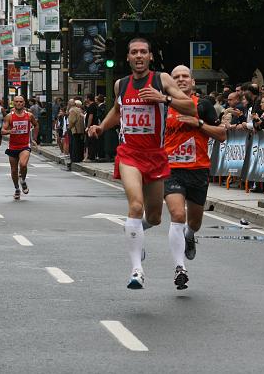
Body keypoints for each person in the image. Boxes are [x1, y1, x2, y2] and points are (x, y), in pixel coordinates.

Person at [87, 38, 195, 290]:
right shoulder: (121, 84)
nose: (138, 56)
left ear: (150, 57)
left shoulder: (162, 80)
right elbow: (117, 110)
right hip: (129, 154)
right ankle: (137, 270)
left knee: (155, 217)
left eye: (143, 52)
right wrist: (101, 127)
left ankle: (136, 234)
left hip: (155, 155)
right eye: (134, 52)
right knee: (135, 205)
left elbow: (189, 106)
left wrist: (163, 99)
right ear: (128, 57)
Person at [161, 65, 227, 288]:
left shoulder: (204, 105)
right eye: (176, 77)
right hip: (172, 169)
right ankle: (180, 268)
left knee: (194, 222)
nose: (180, 80)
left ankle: (189, 236)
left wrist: (198, 124)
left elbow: (222, 135)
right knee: (178, 214)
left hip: (198, 170)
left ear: (192, 81)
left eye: (184, 76)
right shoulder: (162, 106)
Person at [1, 96, 38, 200]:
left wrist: (34, 138)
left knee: (23, 164)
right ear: (13, 103)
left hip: (24, 146)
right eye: (16, 102)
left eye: (21, 102)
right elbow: (2, 130)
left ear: (24, 103)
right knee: (13, 170)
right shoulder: (9, 116)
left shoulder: (29, 115)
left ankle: (23, 181)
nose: (19, 103)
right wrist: (9, 131)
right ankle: (17, 189)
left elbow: (36, 125)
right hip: (13, 146)